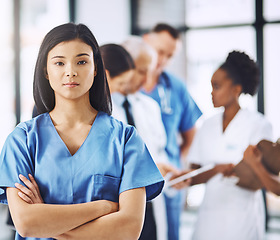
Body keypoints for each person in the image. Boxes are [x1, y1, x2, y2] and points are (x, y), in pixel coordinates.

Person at [0, 23, 165, 240]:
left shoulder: (126, 139)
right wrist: (101, 208)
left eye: (81, 61)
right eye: (59, 63)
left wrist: (46, 220)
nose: (70, 71)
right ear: (46, 70)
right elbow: (26, 224)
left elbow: (128, 230)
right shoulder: (22, 140)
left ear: (96, 68)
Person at [187, 50, 273, 240]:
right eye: (211, 86)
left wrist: (241, 169)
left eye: (216, 86)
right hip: (208, 217)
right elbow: (193, 176)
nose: (211, 92)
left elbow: (265, 177)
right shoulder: (207, 126)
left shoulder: (258, 125)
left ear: (236, 89)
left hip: (242, 219)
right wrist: (216, 170)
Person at [100, 42, 172, 240]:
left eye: (150, 71)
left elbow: (159, 152)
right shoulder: (99, 113)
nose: (146, 79)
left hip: (151, 206)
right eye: (141, 71)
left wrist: (169, 172)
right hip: (118, 208)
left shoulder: (150, 107)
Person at [143, 23, 202, 240]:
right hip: (137, 179)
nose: (163, 60)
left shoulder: (175, 88)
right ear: (146, 40)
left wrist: (178, 161)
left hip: (168, 179)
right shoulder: (127, 86)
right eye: (160, 52)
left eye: (169, 56)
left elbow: (190, 133)